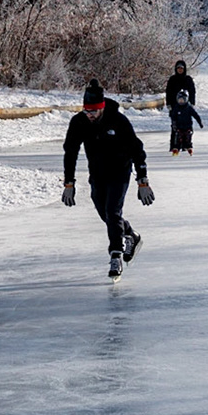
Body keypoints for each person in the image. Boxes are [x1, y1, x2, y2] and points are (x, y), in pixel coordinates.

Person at [62, 80, 153, 279]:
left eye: (93, 112)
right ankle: (131, 234)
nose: (90, 115)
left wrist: (143, 181)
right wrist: (69, 183)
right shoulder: (79, 122)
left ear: (102, 108)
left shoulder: (118, 121)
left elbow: (137, 150)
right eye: (87, 111)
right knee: (105, 213)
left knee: (112, 211)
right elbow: (70, 152)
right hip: (97, 174)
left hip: (120, 172)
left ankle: (115, 256)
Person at [168, 90, 203, 155]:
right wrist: (174, 124)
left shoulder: (188, 108)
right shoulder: (176, 108)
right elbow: (173, 117)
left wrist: (200, 123)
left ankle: (188, 147)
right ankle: (176, 149)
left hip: (188, 126)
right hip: (179, 127)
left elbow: (195, 115)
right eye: (179, 100)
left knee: (187, 138)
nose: (181, 102)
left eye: (182, 100)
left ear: (186, 100)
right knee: (178, 138)